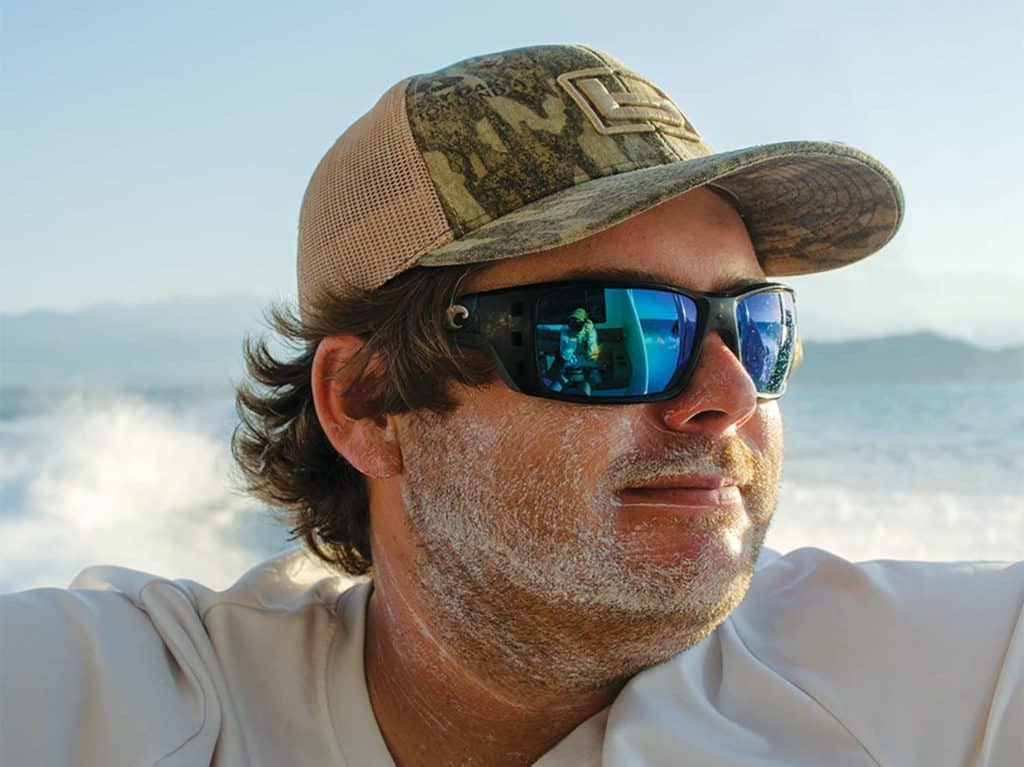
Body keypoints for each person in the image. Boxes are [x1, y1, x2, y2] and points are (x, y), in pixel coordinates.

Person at [1, 44, 1021, 767]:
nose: (725, 394)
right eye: (608, 332)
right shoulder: (131, 702)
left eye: (755, 327)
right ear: (366, 403)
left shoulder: (930, 681)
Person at [549, 307, 601, 395]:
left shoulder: (590, 332)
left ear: (585, 323)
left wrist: (590, 336)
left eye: (578, 322)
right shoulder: (565, 332)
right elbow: (565, 356)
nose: (575, 325)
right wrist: (572, 339)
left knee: (585, 391)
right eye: (572, 321)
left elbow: (592, 356)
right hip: (568, 369)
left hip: (586, 371)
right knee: (553, 390)